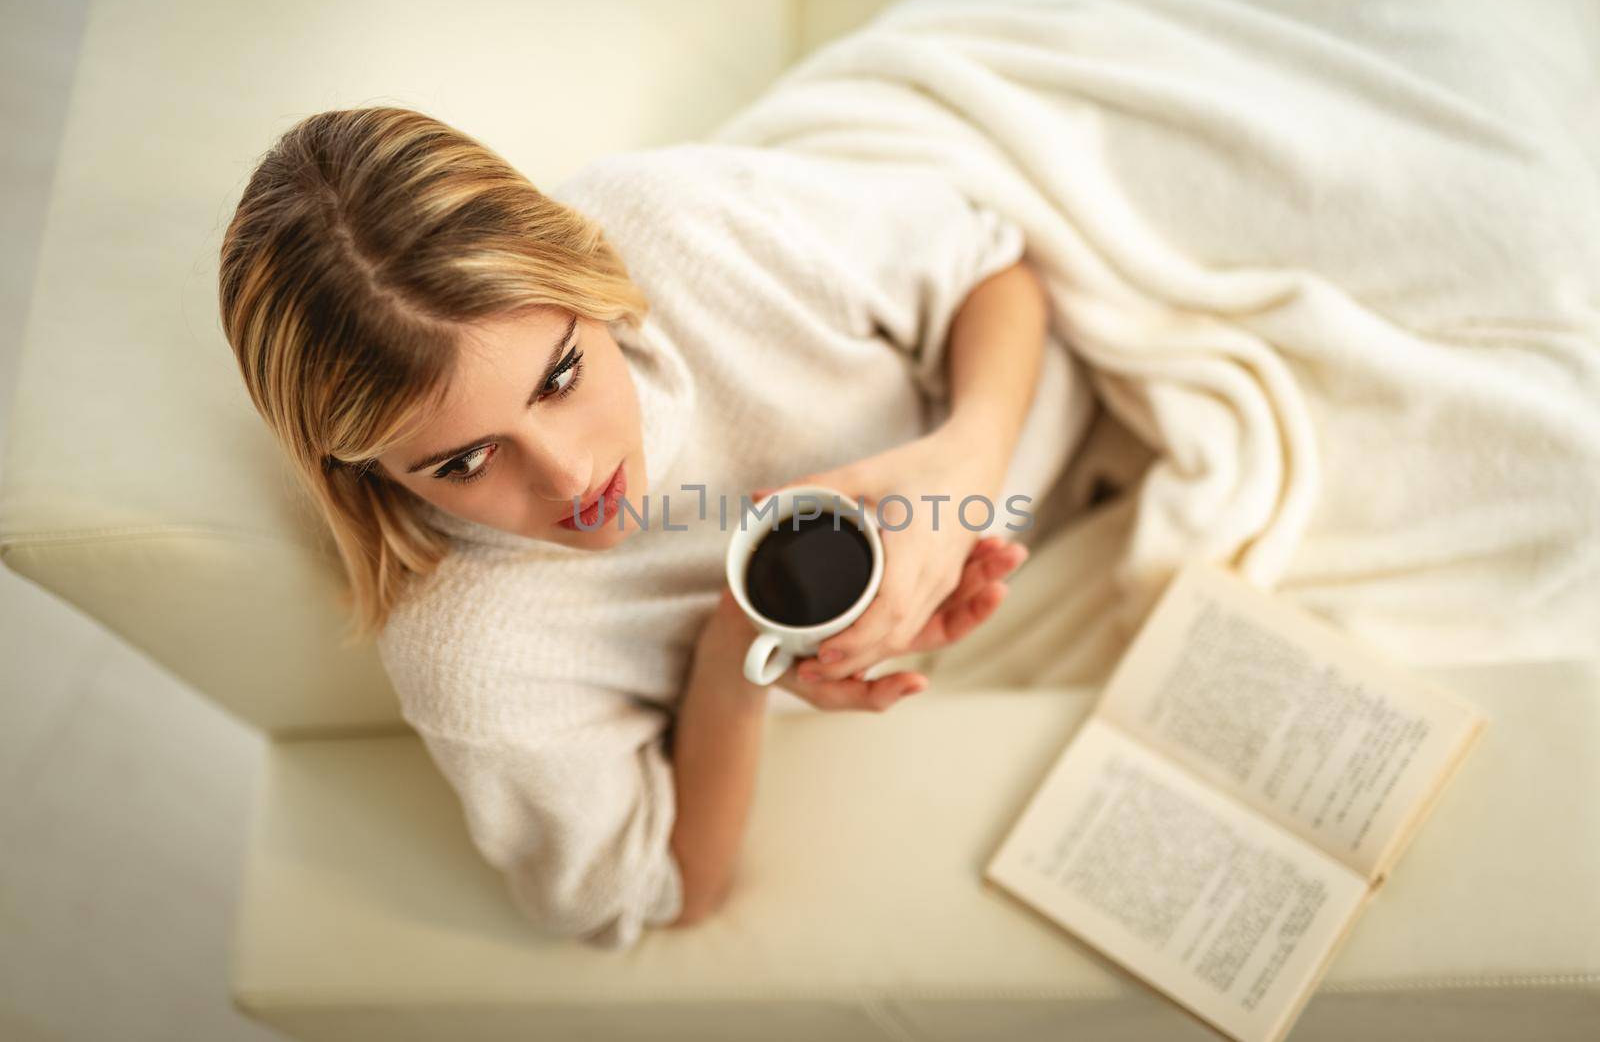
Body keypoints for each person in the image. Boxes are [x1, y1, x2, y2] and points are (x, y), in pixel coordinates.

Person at [216, 106, 1093, 951]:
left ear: (585, 278)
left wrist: (970, 463)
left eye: (559, 377)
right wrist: (738, 657)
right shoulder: (476, 655)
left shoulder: (675, 227)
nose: (568, 476)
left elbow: (990, 262)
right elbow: (666, 891)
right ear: (366, 475)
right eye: (466, 462)